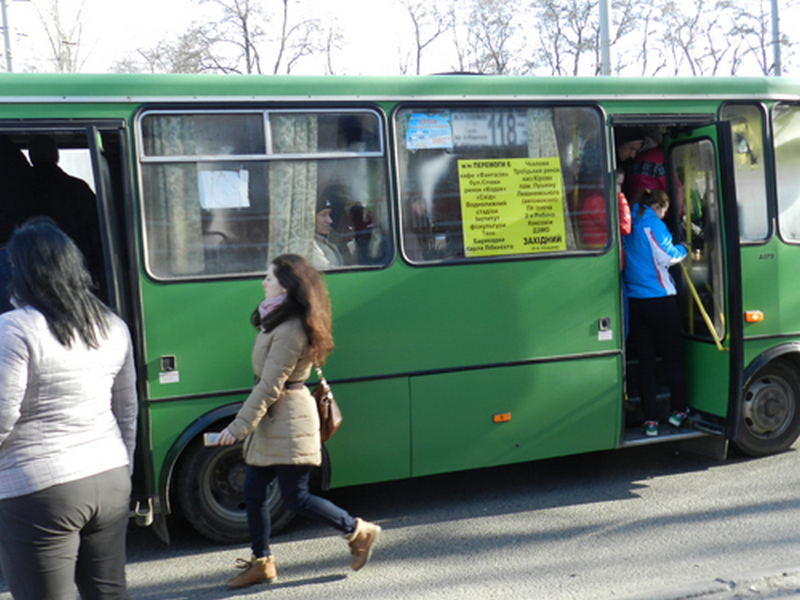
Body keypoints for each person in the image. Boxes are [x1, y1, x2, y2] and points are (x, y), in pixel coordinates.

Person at [215, 254, 380, 589]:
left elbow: (270, 386)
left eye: (269, 277)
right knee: (254, 490)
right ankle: (262, 562)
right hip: (274, 421)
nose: (262, 282)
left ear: (286, 287)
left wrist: (237, 427)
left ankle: (357, 530)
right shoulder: (274, 321)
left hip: (288, 421)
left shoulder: (290, 329)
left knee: (296, 498)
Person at [0, 218, 137, 600]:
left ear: (22, 270)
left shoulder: (15, 328)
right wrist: (122, 465)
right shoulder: (111, 324)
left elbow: (1, 416)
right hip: (109, 477)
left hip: (38, 489)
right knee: (109, 594)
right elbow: (126, 409)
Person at [623, 189, 688, 437]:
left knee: (646, 363)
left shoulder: (628, 225)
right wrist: (682, 248)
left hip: (635, 302)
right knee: (672, 358)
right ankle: (678, 412)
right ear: (659, 206)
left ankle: (650, 420)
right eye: (665, 210)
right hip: (660, 300)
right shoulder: (653, 225)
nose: (665, 215)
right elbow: (667, 256)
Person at [312, 189, 344, 270]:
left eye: (329, 214)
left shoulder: (331, 240)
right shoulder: (310, 245)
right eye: (323, 215)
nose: (330, 220)